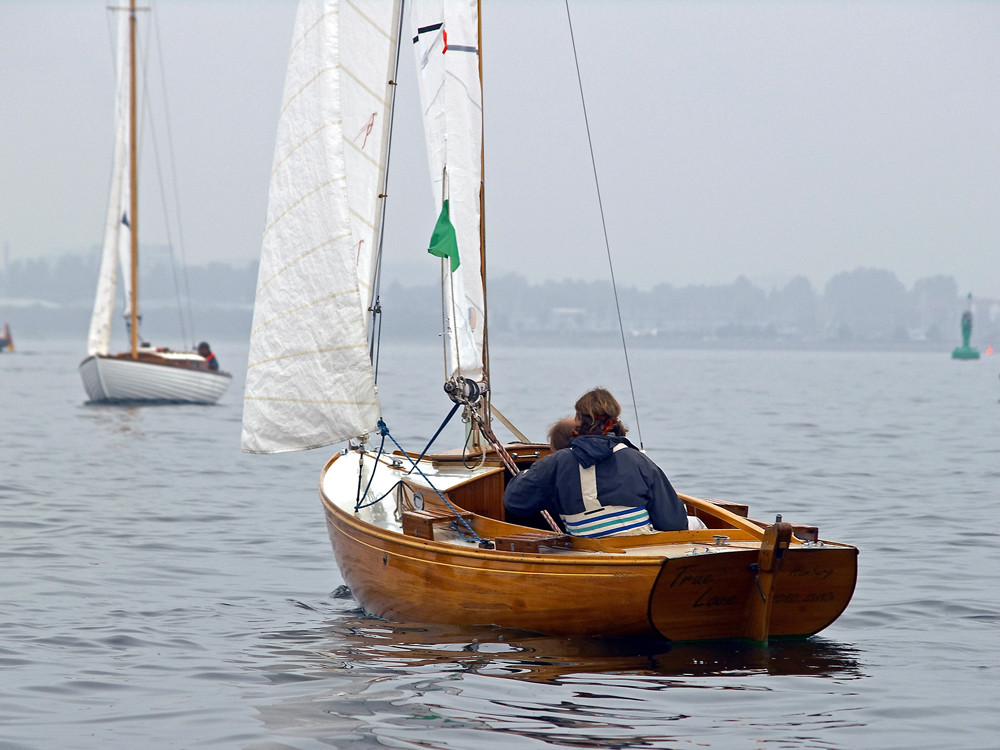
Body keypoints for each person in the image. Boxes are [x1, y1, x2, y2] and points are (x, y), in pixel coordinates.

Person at [504, 387, 689, 537]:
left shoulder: (556, 463)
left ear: (578, 421)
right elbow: (674, 523)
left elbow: (514, 502)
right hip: (641, 553)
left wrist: (529, 475)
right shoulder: (638, 460)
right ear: (615, 420)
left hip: (588, 554)